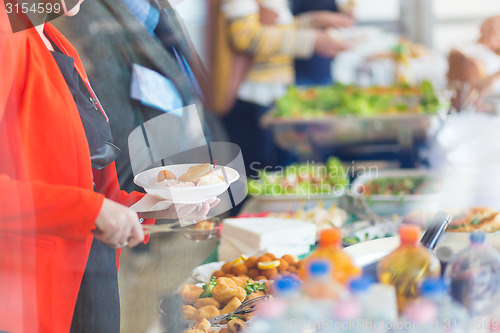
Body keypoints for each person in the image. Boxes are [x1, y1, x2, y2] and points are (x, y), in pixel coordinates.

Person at [0, 1, 217, 332]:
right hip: (35, 290)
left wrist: (151, 207)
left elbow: (80, 179)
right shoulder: (6, 32)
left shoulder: (51, 36)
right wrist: (90, 210)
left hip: (87, 274)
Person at [211, 0, 351, 178]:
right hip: (251, 98)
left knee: (277, 178)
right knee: (258, 183)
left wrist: (313, 21)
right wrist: (312, 40)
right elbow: (244, 36)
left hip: (273, 97)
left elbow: (278, 29)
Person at [292, 0, 354, 86]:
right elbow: (282, 25)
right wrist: (314, 20)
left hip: (325, 64)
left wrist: (344, 16)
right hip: (298, 66)